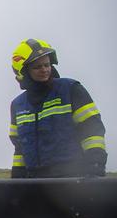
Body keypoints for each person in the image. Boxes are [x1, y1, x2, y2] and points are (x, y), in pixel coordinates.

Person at [9, 39, 107, 178]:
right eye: (37, 67)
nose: (44, 70)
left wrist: (95, 164)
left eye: (47, 65)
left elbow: (92, 129)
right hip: (35, 181)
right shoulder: (18, 105)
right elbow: (19, 148)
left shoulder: (71, 89)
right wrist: (17, 177)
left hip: (72, 179)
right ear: (24, 71)